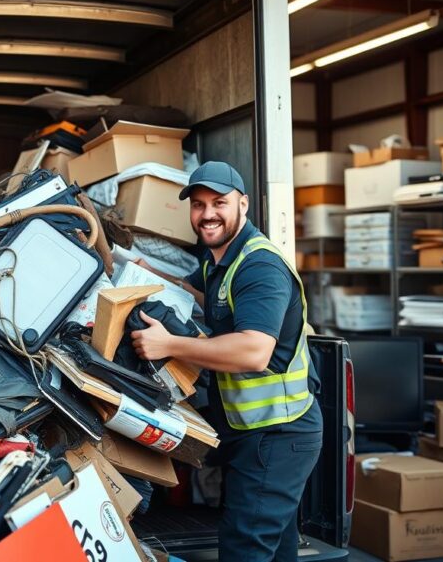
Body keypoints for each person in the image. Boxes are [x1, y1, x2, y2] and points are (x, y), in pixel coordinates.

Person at [130, 162, 323, 562]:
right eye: (198, 205)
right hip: (253, 432)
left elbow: (254, 351)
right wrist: (151, 276)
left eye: (219, 203)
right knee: (275, 549)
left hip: (278, 433)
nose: (208, 214)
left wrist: (171, 344)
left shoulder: (258, 265)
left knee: (243, 548)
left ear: (243, 204)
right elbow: (206, 300)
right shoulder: (218, 259)